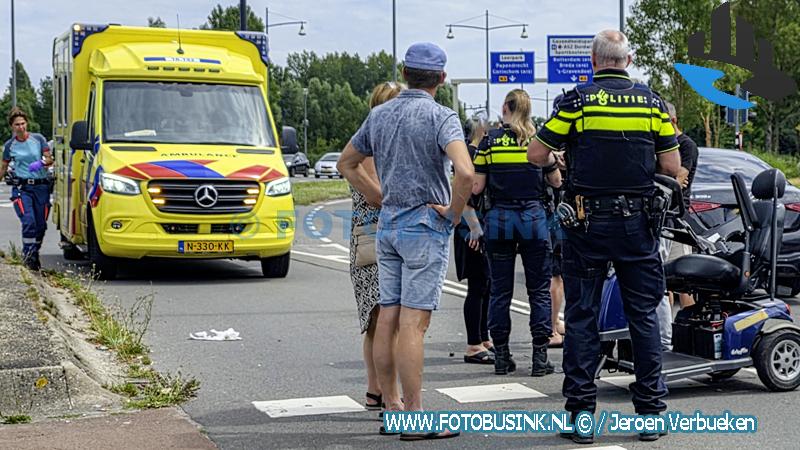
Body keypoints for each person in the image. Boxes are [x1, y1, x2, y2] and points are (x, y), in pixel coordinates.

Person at [528, 30, 680, 444]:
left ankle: (580, 416)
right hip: (638, 226)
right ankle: (650, 413)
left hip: (587, 223)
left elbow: (536, 155)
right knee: (644, 317)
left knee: (581, 318)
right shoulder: (651, 103)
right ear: (627, 60)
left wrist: (564, 153)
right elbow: (671, 163)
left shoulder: (576, 100)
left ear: (594, 61)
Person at [337, 42, 473, 441]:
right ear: (442, 79)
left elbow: (347, 162)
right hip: (422, 226)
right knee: (415, 325)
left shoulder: (379, 115)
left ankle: (391, 406)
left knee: (389, 320)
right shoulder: (441, 117)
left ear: (405, 72)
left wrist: (378, 195)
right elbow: (464, 172)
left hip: (389, 227)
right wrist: (453, 213)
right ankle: (415, 418)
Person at [473, 89, 562, 377]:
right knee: (538, 290)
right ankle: (539, 358)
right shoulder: (537, 142)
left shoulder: (489, 141)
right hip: (533, 219)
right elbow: (557, 182)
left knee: (500, 291)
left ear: (506, 108)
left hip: (499, 220)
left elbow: (476, 187)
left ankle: (502, 356)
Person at [347, 81, 405, 411]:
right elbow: (378, 195)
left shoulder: (368, 143)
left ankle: (376, 391)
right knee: (384, 321)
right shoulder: (369, 147)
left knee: (377, 321)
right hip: (375, 240)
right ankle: (385, 391)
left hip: (370, 238)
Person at [656, 101, 700, 350]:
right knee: (663, 281)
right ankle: (668, 336)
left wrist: (666, 176)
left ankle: (692, 331)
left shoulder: (686, 145)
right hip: (661, 219)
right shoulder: (659, 145)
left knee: (684, 281)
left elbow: (678, 179)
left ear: (672, 120)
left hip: (677, 219)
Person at [454, 118, 494, 364]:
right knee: (478, 285)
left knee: (485, 283)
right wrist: (474, 228)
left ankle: (483, 336)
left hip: (477, 225)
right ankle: (473, 344)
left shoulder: (474, 152)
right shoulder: (469, 154)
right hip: (471, 227)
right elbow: (463, 194)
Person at [1, 107, 54, 271]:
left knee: (40, 226)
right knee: (29, 221)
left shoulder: (38, 139)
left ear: (27, 124)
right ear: (12, 127)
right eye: (17, 124)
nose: (21, 127)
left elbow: (49, 159)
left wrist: (40, 163)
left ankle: (34, 253)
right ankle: (28, 258)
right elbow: (3, 168)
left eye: (23, 123)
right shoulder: (10, 145)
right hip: (22, 188)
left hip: (41, 187)